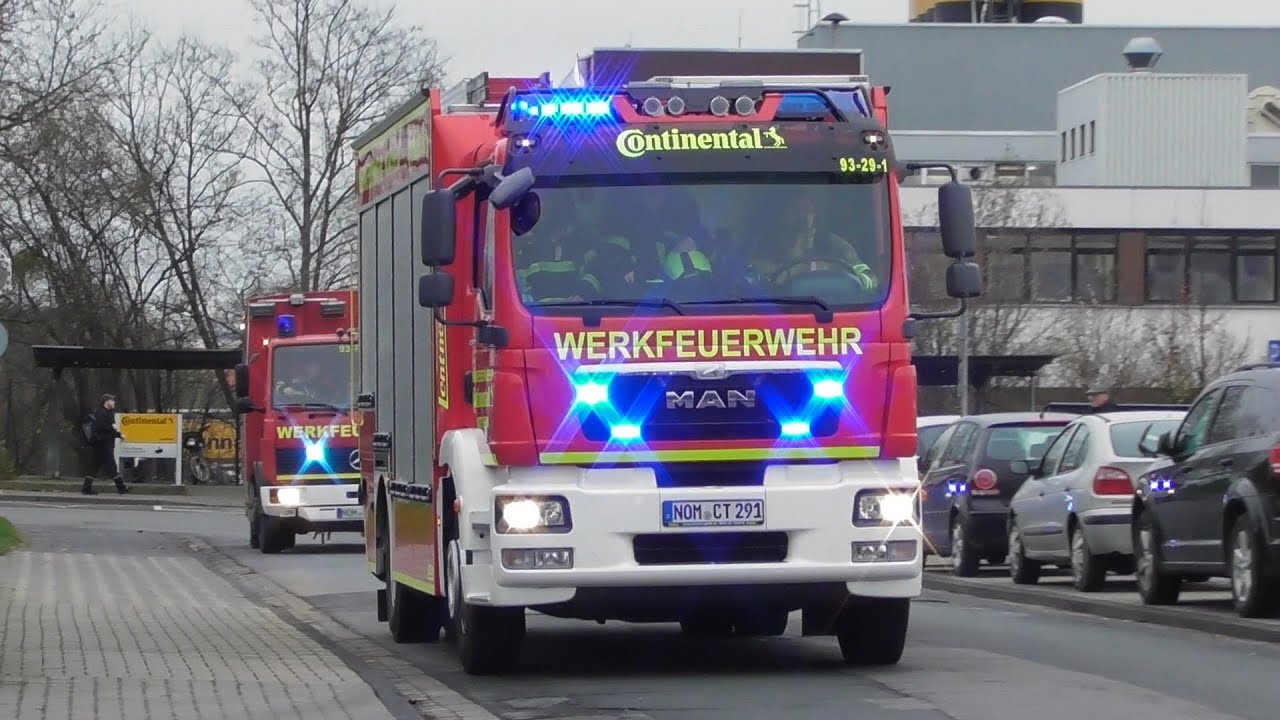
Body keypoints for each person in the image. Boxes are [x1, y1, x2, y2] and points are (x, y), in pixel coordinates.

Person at [751, 192, 878, 292]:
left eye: (806, 210)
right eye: (794, 210)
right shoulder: (765, 246)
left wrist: (846, 280)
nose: (801, 217)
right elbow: (763, 287)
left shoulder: (831, 242)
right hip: (783, 311)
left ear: (814, 215)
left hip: (831, 309)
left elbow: (870, 279)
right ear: (780, 215)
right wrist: (796, 260)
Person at [83, 393, 128, 495]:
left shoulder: (108, 413)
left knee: (94, 467)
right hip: (102, 443)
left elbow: (109, 428)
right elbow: (102, 427)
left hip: (102, 442)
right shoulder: (101, 413)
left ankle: (86, 488)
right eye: (112, 400)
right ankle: (121, 488)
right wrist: (117, 433)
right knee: (111, 466)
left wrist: (117, 433)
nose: (114, 402)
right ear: (106, 402)